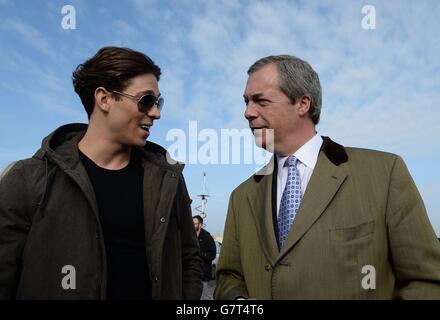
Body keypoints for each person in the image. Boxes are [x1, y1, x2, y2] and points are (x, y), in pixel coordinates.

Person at [214, 55, 440, 299]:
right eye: (246, 101)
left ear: (302, 104)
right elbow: (229, 277)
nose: (247, 112)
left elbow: (426, 281)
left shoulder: (385, 173)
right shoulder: (241, 196)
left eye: (260, 100)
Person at [0, 46, 202, 299]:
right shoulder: (29, 179)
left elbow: (188, 259)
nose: (156, 113)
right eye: (146, 100)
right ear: (104, 98)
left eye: (158, 102)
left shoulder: (167, 179)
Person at [193, 215, 216, 299]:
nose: (193, 225)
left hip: (203, 274)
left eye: (195, 223)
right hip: (191, 274)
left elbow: (212, 254)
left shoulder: (207, 237)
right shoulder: (189, 236)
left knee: (205, 296)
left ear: (200, 224)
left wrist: (200, 254)